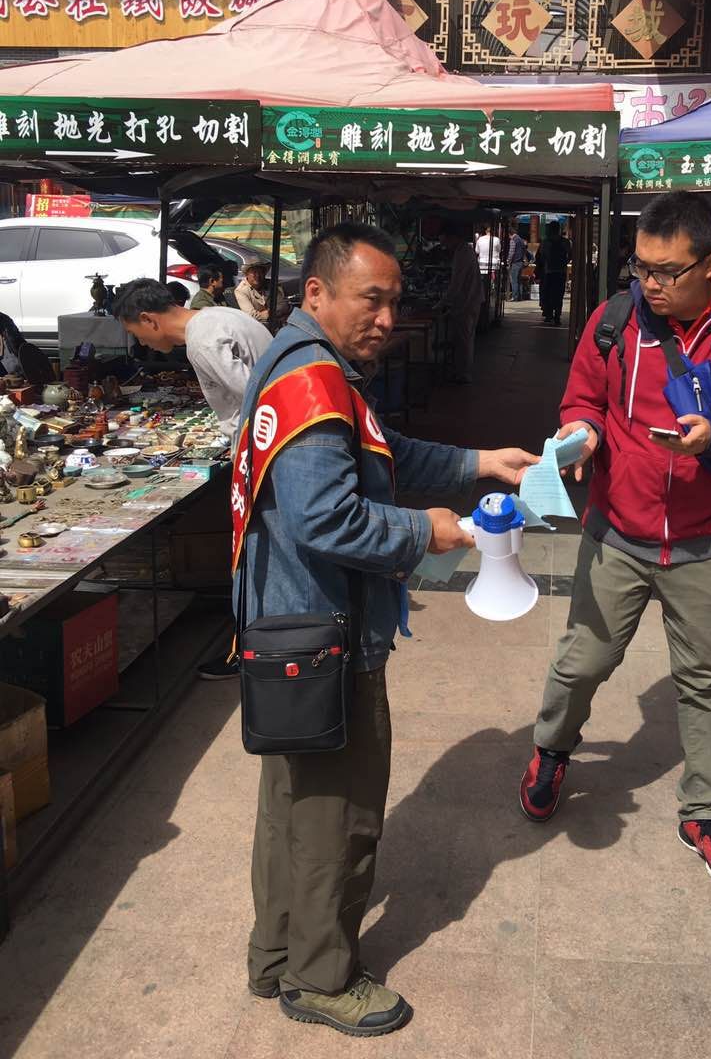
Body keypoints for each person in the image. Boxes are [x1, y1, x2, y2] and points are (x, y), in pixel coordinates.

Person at [235, 222, 537, 1035]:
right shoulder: (313, 381)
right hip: (325, 635)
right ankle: (321, 979)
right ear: (317, 292)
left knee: (293, 805)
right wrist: (422, 531)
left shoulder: (302, 364)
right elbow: (326, 518)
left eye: (394, 302)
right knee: (339, 819)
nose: (387, 319)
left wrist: (479, 463)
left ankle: (275, 954)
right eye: (371, 300)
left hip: (286, 629)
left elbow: (381, 451)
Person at [519, 191, 711, 890]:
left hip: (706, 542)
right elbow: (582, 397)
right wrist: (582, 432)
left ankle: (704, 813)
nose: (649, 284)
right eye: (641, 268)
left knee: (705, 680)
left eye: (666, 271)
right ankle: (551, 751)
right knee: (583, 661)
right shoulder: (615, 322)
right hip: (618, 531)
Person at [113, 278, 273, 682]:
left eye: (138, 335)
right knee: (259, 553)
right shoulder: (219, 316)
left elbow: (257, 395)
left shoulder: (202, 341)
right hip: (266, 445)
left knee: (251, 554)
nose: (144, 345)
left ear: (149, 320)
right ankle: (257, 643)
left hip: (262, 450)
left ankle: (249, 650)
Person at [437, 222, 484, 384]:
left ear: (452, 237)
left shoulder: (463, 253)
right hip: (468, 300)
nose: (444, 245)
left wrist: (441, 303)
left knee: (464, 340)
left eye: (444, 241)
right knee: (464, 339)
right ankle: (461, 372)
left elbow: (456, 284)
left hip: (467, 302)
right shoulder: (463, 251)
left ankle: (463, 374)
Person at [234, 259, 290, 328]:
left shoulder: (272, 284)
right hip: (256, 327)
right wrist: (272, 312)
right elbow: (251, 316)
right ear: (247, 274)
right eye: (254, 272)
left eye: (260, 272)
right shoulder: (241, 291)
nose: (258, 275)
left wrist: (266, 313)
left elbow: (284, 305)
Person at [537, 222, 571, 326]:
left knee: (548, 293)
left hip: (549, 271)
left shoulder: (545, 242)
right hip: (561, 272)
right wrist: (564, 262)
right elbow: (570, 254)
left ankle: (549, 314)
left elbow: (541, 256)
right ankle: (557, 315)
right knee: (559, 294)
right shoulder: (565, 242)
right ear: (558, 229)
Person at [506, 221, 527, 301]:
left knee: (514, 280)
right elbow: (524, 250)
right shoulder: (521, 240)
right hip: (521, 262)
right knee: (519, 280)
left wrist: (508, 261)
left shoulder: (513, 240)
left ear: (509, 234)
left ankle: (515, 297)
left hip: (515, 262)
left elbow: (511, 252)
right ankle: (519, 296)